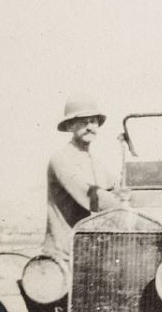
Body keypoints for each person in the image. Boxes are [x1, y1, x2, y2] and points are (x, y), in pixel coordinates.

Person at [43, 94, 121, 258]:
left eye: (93, 121)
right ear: (70, 126)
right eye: (83, 122)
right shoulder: (61, 159)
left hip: (89, 254)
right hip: (64, 255)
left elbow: (119, 188)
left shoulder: (96, 164)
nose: (89, 127)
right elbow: (91, 194)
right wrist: (129, 212)